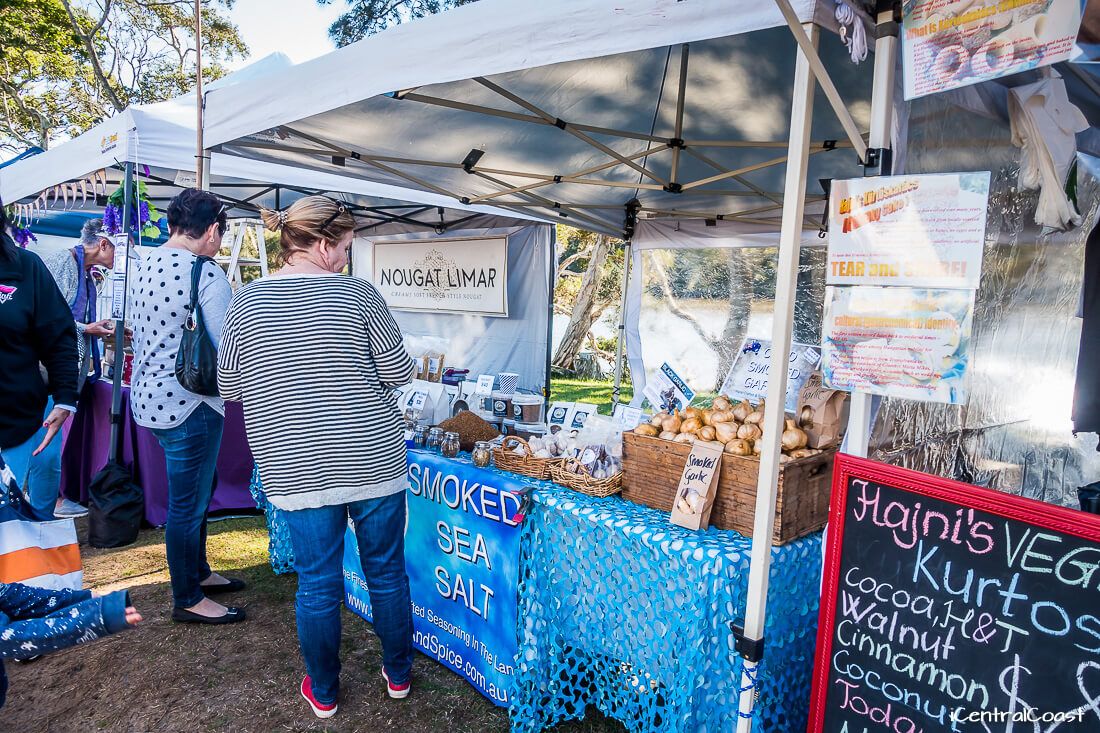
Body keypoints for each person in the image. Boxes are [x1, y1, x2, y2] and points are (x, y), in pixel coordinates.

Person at [219, 196, 416, 718]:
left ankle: (324, 692)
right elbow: (398, 372)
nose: (348, 259)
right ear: (326, 245)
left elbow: (229, 384)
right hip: (374, 460)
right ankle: (397, 675)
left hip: (295, 465)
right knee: (387, 574)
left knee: (318, 584)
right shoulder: (359, 296)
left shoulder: (246, 302)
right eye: (347, 247)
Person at [128, 188, 245, 625]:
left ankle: (197, 572)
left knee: (194, 490)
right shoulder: (206, 274)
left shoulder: (143, 264)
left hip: (149, 399)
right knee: (187, 504)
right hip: (191, 403)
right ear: (212, 230)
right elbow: (231, 344)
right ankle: (188, 597)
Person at [0, 200, 79, 521]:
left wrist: (65, 399)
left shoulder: (26, 267)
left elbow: (59, 335)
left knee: (7, 526)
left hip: (12, 423)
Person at [37, 219, 119, 519]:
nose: (118, 262)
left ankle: (51, 497)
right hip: (49, 367)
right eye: (118, 254)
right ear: (103, 244)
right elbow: (47, 315)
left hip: (68, 365)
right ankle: (49, 500)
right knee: (46, 430)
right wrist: (88, 328)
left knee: (54, 431)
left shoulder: (86, 271)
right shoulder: (62, 262)